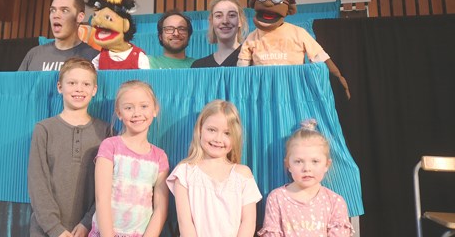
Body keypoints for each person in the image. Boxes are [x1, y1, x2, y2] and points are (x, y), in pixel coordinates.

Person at [28, 57, 111, 237]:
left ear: (94, 90)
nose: (79, 89)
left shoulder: (106, 131)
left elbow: (109, 185)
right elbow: (37, 183)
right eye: (72, 83)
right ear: (60, 87)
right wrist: (55, 229)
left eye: (86, 84)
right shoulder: (44, 129)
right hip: (46, 231)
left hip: (89, 230)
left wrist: (87, 223)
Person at [237, 0, 350, 99]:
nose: (268, 4)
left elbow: (320, 56)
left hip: (294, 92)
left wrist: (337, 76)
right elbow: (242, 71)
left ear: (289, 8)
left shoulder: (299, 33)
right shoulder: (252, 38)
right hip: (264, 94)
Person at [166, 100, 262, 237]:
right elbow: (185, 222)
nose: (218, 139)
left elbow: (248, 222)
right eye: (212, 130)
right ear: (200, 130)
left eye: (227, 133)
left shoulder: (243, 174)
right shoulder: (184, 172)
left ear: (235, 137)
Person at [89, 80, 169, 237]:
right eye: (128, 108)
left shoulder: (159, 157)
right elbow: (101, 198)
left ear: (155, 110)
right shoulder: (110, 146)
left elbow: (161, 208)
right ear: (119, 113)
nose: (137, 113)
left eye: (144, 106)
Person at [257, 119, 354, 237]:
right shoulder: (277, 198)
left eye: (315, 161)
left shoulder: (335, 202)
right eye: (298, 161)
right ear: (288, 165)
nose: (306, 168)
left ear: (326, 165)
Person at [19, 0, 99, 71]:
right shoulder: (34, 54)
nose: (56, 15)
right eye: (53, 10)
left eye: (64, 10)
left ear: (80, 17)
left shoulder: (94, 58)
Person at [191, 0, 248, 67]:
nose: (225, 21)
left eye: (231, 15)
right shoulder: (199, 66)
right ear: (211, 21)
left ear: (240, 21)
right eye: (218, 16)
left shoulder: (253, 60)